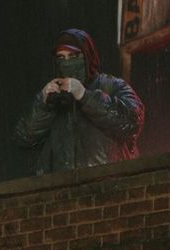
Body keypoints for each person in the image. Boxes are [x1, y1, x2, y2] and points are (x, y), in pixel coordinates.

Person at [14, 28, 144, 176]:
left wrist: (85, 96)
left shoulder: (111, 85)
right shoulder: (53, 97)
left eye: (73, 56)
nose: (67, 63)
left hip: (107, 183)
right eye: (61, 58)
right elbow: (23, 137)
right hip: (60, 191)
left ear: (87, 56)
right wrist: (42, 105)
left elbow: (132, 122)